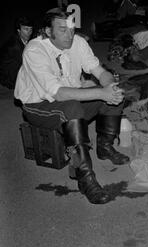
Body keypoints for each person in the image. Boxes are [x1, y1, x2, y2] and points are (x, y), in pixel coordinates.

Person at [15, 10, 129, 205]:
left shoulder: (78, 42)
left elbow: (100, 71)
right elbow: (58, 94)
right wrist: (101, 93)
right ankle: (84, 178)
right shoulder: (35, 51)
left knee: (114, 96)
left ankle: (105, 146)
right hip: (38, 105)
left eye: (71, 29)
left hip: (71, 97)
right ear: (47, 31)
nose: (69, 35)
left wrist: (110, 87)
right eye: (62, 30)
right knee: (72, 108)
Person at [0, 17, 34, 89]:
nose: (29, 32)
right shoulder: (14, 46)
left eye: (31, 29)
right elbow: (29, 64)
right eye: (26, 29)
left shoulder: (24, 38)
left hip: (15, 72)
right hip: (8, 80)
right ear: (18, 30)